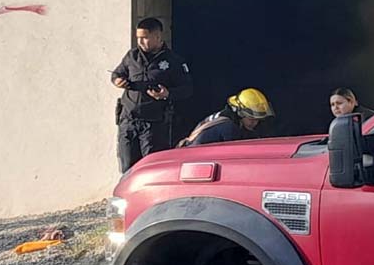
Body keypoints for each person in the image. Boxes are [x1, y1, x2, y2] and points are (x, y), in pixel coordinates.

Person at [111, 17, 192, 172]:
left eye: (145, 38)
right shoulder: (132, 56)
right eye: (138, 38)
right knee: (127, 168)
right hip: (129, 120)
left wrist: (167, 93)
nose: (140, 42)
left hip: (154, 124)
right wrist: (117, 81)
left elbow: (187, 89)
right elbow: (116, 74)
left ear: (157, 37)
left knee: (151, 168)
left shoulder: (173, 61)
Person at [180, 88, 275, 146]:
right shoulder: (228, 127)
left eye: (258, 120)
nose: (254, 123)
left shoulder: (225, 117)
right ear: (240, 113)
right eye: (251, 119)